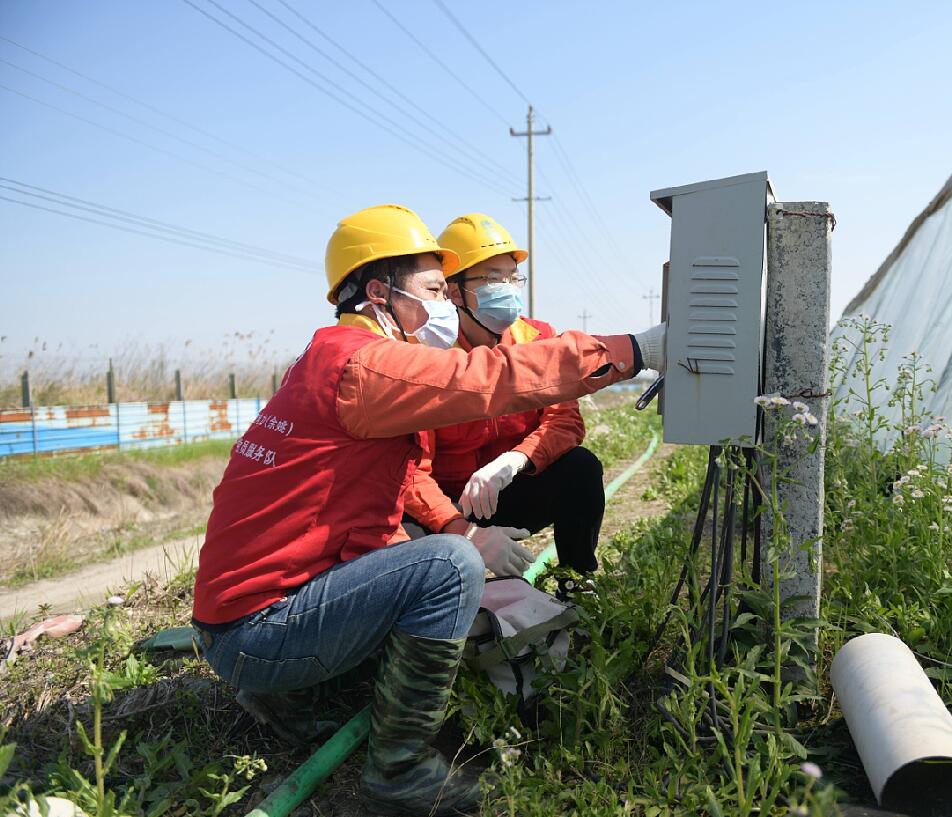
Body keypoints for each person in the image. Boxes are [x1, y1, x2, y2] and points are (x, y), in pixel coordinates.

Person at [190, 204, 666, 816]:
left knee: (430, 555)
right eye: (436, 289)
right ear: (381, 293)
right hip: (255, 634)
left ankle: (298, 697)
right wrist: (634, 348)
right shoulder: (366, 365)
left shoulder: (332, 356)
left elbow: (368, 519)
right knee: (447, 566)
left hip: (243, 622)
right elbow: (484, 379)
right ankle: (401, 771)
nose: (443, 304)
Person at [402, 213, 605, 575]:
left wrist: (513, 461)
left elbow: (565, 421)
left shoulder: (537, 339)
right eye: (492, 279)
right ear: (453, 290)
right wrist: (459, 527)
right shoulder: (429, 354)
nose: (507, 288)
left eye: (513, 277)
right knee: (402, 523)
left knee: (581, 467)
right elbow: (413, 469)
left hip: (511, 488)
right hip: (448, 501)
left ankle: (577, 577)